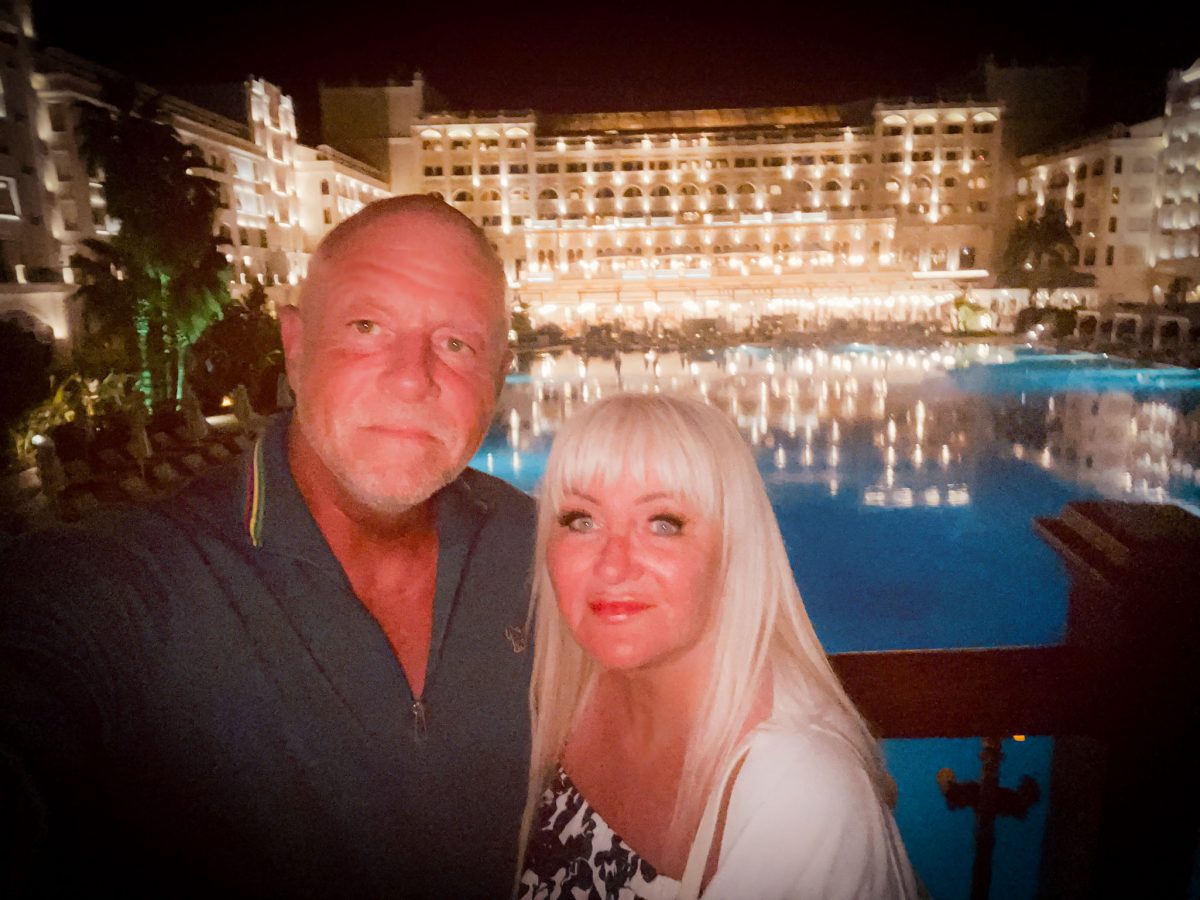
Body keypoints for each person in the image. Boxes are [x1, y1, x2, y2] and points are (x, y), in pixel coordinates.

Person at [0, 195, 536, 898]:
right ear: (294, 344)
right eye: (367, 326)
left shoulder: (547, 549)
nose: (413, 376)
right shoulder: (129, 582)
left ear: (500, 371)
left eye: (457, 344)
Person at [517, 393, 917, 899]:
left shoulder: (799, 796)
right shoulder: (573, 690)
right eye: (581, 520)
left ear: (734, 552)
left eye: (663, 523)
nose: (612, 566)